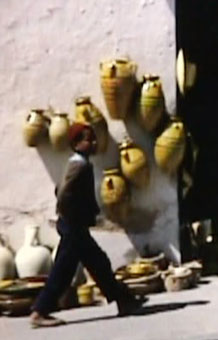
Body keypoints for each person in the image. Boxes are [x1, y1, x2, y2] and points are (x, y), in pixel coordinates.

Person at [30, 123, 147, 328]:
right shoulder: (79, 165)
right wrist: (68, 215)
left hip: (75, 226)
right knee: (63, 270)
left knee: (98, 263)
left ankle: (123, 300)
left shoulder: (80, 162)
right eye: (87, 139)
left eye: (93, 138)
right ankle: (40, 310)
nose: (93, 142)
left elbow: (61, 188)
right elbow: (64, 192)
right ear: (76, 144)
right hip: (73, 227)